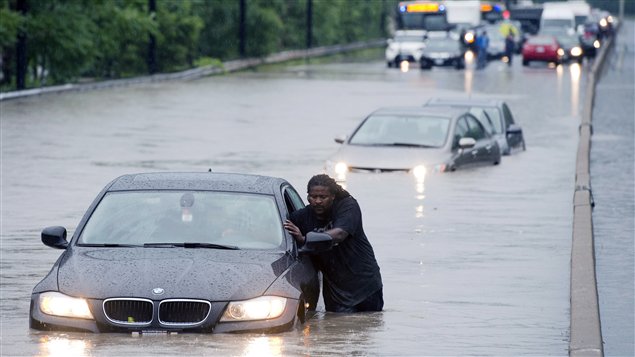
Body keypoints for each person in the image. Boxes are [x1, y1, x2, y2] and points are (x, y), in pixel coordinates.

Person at [284, 174, 383, 313]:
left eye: (323, 197)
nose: (317, 201)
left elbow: (340, 234)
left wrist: (305, 239)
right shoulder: (301, 218)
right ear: (307, 197)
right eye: (313, 197)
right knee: (336, 329)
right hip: (335, 291)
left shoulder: (348, 206)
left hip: (365, 285)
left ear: (333, 196)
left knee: (368, 327)